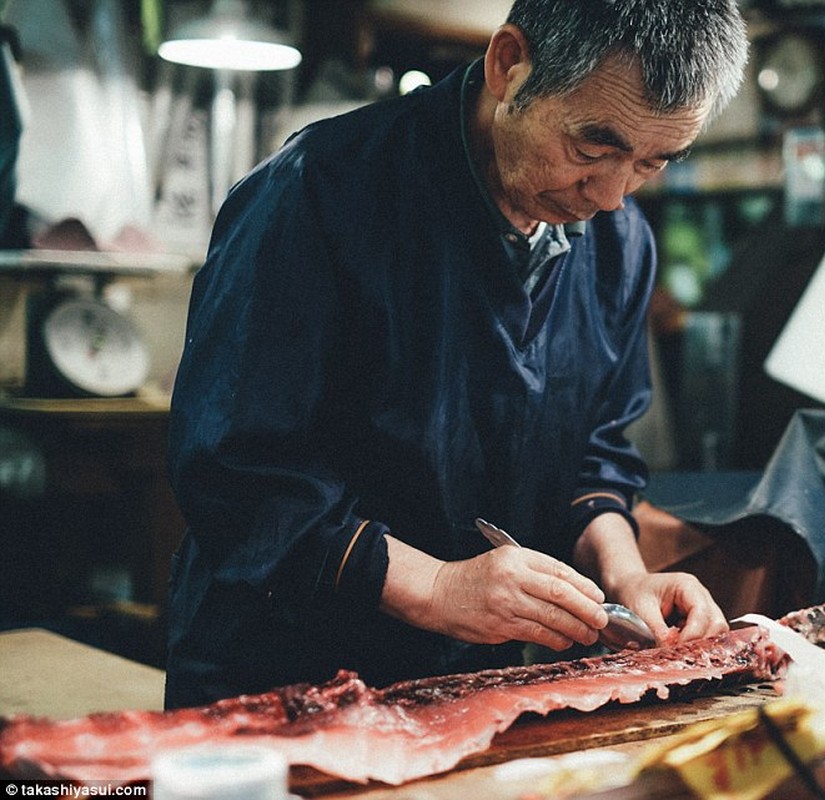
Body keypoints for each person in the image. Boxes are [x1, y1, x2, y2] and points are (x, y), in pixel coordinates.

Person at [165, 0, 750, 709]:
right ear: (510, 65)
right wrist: (436, 588)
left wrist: (627, 577)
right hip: (281, 675)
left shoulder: (619, 245)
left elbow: (594, 448)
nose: (610, 197)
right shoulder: (320, 192)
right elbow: (235, 468)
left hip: (475, 685)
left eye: (651, 162)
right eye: (590, 151)